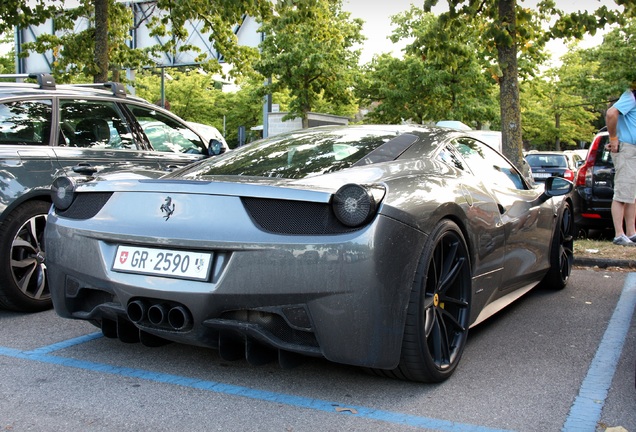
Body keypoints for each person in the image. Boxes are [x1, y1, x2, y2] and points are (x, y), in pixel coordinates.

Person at [605, 85, 636, 246]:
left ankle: (631, 233)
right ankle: (619, 234)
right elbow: (611, 113)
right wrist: (613, 138)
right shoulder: (631, 95)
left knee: (631, 194)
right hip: (628, 150)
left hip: (633, 151)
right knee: (622, 192)